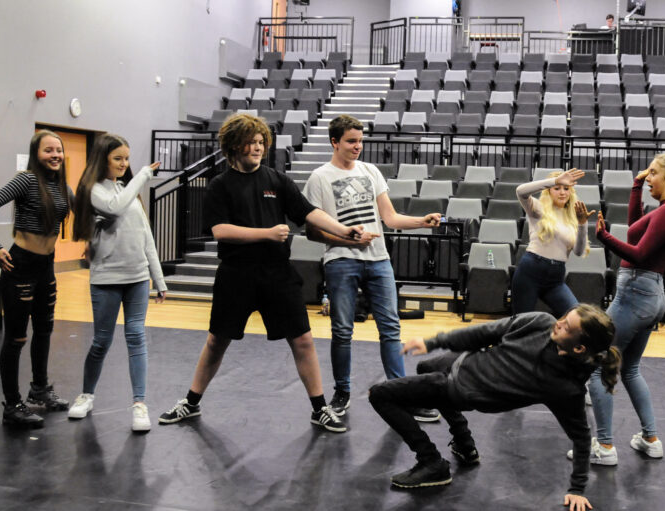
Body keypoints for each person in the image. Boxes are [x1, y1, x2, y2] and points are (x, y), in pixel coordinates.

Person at [158, 114, 364, 432]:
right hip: (236, 274)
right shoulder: (219, 185)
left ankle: (319, 407)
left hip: (277, 273)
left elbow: (308, 212)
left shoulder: (276, 180)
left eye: (260, 142)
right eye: (250, 142)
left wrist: (343, 230)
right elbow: (220, 230)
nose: (257, 148)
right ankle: (191, 402)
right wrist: (266, 234)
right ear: (233, 145)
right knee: (217, 342)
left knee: (304, 341)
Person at [368, 304, 620, 511]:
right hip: (465, 362)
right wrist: (435, 341)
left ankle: (431, 462)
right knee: (425, 366)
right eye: (564, 316)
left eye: (567, 326)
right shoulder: (539, 321)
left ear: (578, 347)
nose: (559, 322)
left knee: (380, 395)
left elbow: (581, 437)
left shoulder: (566, 388)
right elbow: (484, 333)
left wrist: (577, 489)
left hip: (460, 390)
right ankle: (465, 445)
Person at [301, 114, 442, 421]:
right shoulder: (319, 178)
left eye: (360, 141)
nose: (358, 147)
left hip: (378, 260)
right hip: (340, 261)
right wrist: (349, 240)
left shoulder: (371, 171)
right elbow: (311, 231)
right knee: (342, 331)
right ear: (334, 142)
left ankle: (399, 392)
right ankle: (342, 392)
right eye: (351, 141)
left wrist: (422, 221)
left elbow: (389, 218)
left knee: (390, 329)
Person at [576, 146, 665, 464]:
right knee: (629, 368)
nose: (648, 176)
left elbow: (636, 253)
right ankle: (650, 438)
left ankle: (605, 446)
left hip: (635, 291)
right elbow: (634, 230)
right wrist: (636, 186)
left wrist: (602, 237)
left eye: (653, 173)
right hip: (651, 294)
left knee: (599, 365)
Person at [66, 134, 168, 432]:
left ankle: (139, 403)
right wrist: (145, 175)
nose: (125, 164)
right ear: (103, 160)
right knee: (101, 342)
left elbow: (146, 236)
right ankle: (87, 395)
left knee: (136, 336)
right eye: (118, 159)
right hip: (107, 279)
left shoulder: (128, 190)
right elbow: (114, 207)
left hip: (137, 279)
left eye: (127, 158)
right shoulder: (93, 190)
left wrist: (158, 279)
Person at [0, 129, 74, 428]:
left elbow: (87, 209)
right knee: (17, 337)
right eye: (48, 150)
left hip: (45, 266)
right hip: (19, 266)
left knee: (44, 331)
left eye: (58, 150)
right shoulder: (26, 180)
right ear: (37, 154)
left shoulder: (61, 185)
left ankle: (40, 390)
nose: (55, 155)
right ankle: (12, 405)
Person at [510, 169, 593, 317]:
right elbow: (520, 191)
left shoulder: (573, 218)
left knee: (575, 317)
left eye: (566, 189)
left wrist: (582, 224)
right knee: (521, 325)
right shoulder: (537, 208)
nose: (562, 192)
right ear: (549, 191)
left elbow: (579, 252)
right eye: (557, 188)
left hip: (556, 279)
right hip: (530, 271)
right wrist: (554, 180)